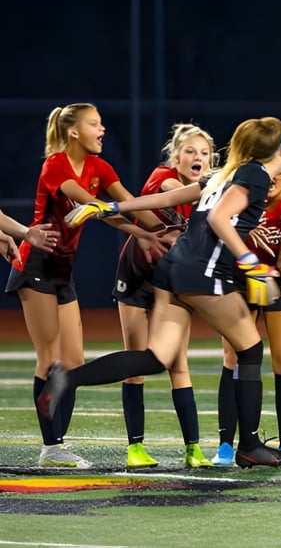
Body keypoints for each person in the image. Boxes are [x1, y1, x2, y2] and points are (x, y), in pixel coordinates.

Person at [38, 116, 281, 469]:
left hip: (173, 268)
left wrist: (112, 207)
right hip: (202, 272)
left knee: (158, 357)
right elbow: (221, 219)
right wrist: (252, 263)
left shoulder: (226, 174)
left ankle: (68, 378)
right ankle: (249, 445)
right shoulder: (255, 174)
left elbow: (179, 195)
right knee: (250, 349)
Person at [6, 103, 170, 468]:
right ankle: (51, 447)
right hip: (35, 264)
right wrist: (132, 225)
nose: (102, 129)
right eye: (94, 124)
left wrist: (158, 231)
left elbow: (127, 202)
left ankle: (56, 445)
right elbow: (88, 204)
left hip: (63, 271)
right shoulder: (56, 164)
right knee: (50, 359)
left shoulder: (100, 166)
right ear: (74, 131)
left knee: (74, 362)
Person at [113, 123, 217, 469]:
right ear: (176, 156)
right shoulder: (165, 177)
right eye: (190, 151)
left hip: (169, 278)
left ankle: (193, 449)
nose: (197, 157)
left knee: (178, 362)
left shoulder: (208, 194)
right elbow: (176, 189)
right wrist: (214, 184)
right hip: (136, 273)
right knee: (136, 360)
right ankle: (135, 447)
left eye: (204, 153)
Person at [213, 150, 281, 467]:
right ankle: (227, 445)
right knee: (232, 357)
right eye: (266, 173)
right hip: (238, 279)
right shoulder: (240, 193)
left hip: (280, 279)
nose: (270, 180)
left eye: (278, 174)